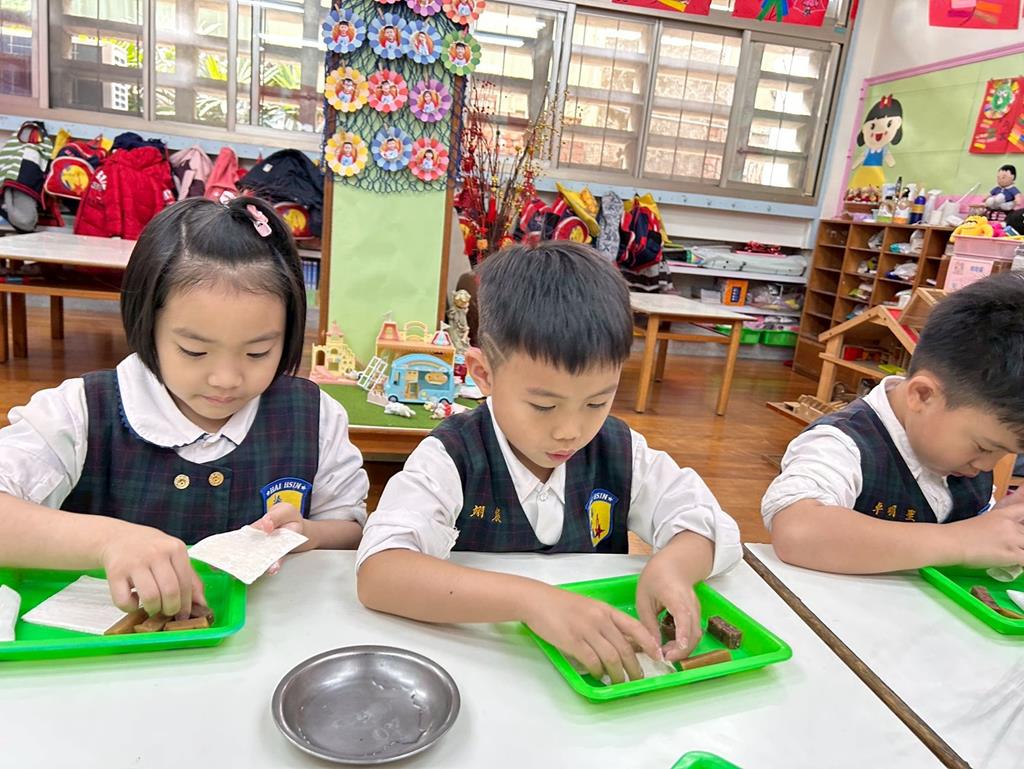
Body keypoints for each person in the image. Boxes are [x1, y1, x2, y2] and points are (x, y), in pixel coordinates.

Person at [356, 242, 741, 684]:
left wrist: (673, 566)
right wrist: (530, 601)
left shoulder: (620, 451)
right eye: (543, 406)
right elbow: (380, 572)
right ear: (483, 374)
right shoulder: (452, 456)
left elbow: (707, 523)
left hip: (592, 690)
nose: (570, 432)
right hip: (485, 673)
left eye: (597, 402)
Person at [0, 197, 369, 618]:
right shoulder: (82, 412)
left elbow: (351, 530)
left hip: (270, 641)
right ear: (147, 324)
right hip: (104, 649)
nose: (226, 379)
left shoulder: (313, 416)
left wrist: (309, 533)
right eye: (194, 351)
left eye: (258, 353)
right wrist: (107, 541)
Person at [762, 273, 1024, 574]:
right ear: (923, 395)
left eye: (1005, 452)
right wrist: (962, 541)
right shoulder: (842, 444)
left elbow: (972, 538)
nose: (987, 465)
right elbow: (797, 532)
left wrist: (1000, 523)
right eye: (984, 447)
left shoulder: (964, 458)